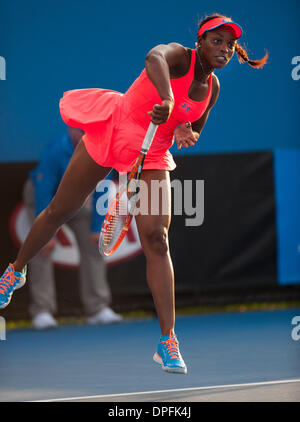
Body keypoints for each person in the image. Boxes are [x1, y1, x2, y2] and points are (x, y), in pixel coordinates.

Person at [0, 14, 267, 373]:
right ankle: (15, 272)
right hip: (114, 131)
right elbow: (152, 56)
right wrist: (168, 98)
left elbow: (190, 128)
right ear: (200, 42)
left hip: (153, 154)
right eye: (216, 41)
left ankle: (168, 340)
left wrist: (186, 131)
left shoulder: (213, 88)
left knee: (157, 239)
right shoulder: (177, 56)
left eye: (230, 45)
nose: (224, 49)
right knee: (59, 211)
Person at [24, 127, 123, 329]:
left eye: (89, 129)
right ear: (70, 130)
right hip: (44, 198)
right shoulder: (56, 151)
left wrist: (97, 229)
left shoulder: (100, 151)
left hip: (77, 199)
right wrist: (47, 235)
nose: (86, 134)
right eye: (80, 130)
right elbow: (43, 192)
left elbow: (101, 191)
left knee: (94, 245)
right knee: (40, 246)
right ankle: (42, 311)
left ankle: (98, 308)